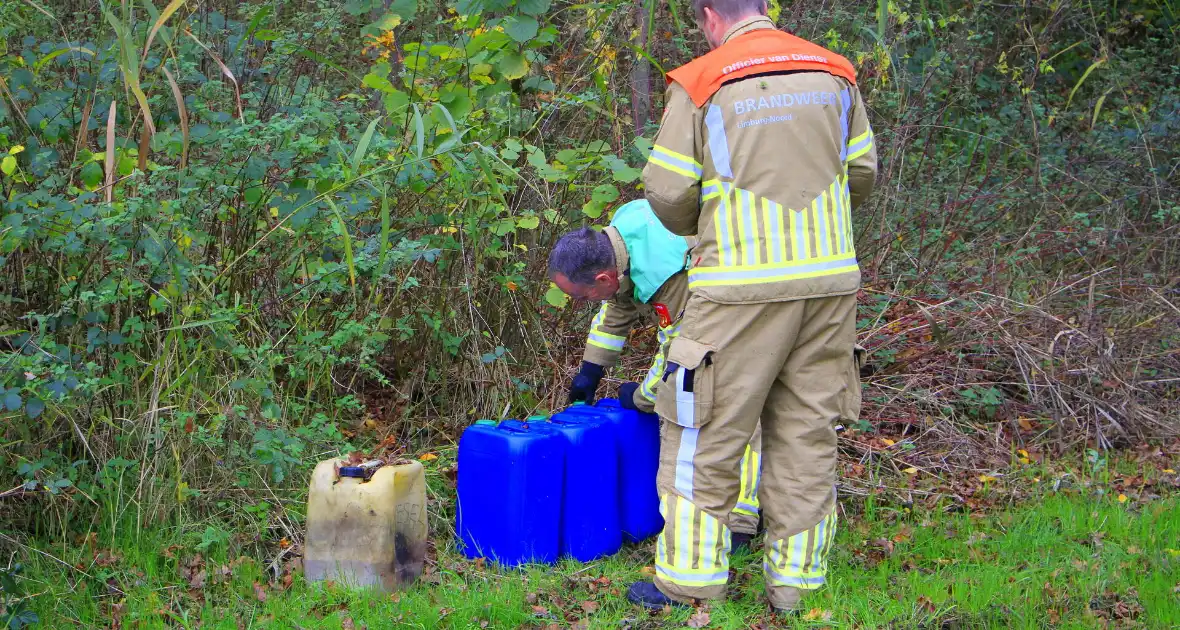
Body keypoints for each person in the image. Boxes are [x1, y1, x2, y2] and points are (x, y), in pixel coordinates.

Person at [629, 0, 877, 614]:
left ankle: (688, 579)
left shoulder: (704, 80)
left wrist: (709, 223)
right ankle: (796, 585)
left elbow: (665, 190)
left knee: (701, 428)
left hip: (737, 286)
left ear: (711, 15)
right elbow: (863, 174)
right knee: (806, 430)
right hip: (828, 285)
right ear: (766, 8)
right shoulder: (835, 72)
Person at [548, 199, 763, 550]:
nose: (581, 303)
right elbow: (617, 304)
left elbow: (679, 353)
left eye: (582, 296)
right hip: (730, 305)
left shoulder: (667, 273)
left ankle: (741, 522)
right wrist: (591, 370)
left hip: (750, 312)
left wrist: (643, 397)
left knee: (734, 412)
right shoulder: (620, 239)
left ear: (604, 276)